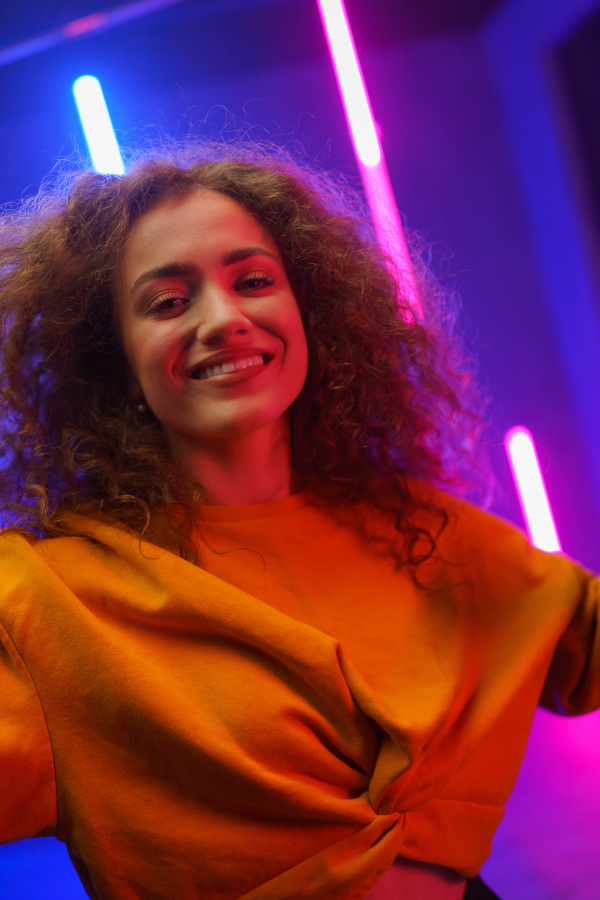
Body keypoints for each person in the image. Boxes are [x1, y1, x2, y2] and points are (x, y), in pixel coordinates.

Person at [0, 141, 597, 900]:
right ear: (114, 359)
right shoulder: (39, 605)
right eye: (169, 302)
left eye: (252, 281)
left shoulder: (421, 531)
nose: (224, 320)